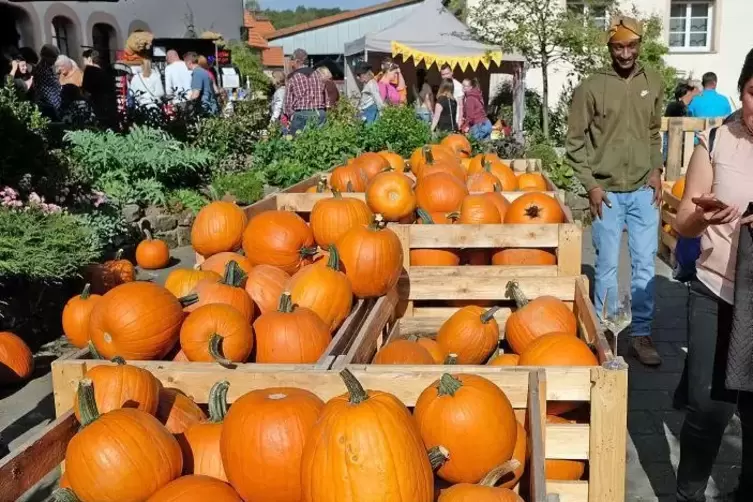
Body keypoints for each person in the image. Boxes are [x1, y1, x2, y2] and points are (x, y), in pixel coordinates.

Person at [672, 48, 753, 502]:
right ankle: (689, 493)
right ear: (740, 90)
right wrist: (702, 217)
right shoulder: (716, 142)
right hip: (715, 289)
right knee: (708, 408)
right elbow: (683, 220)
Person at [565, 16, 664, 366]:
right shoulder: (591, 87)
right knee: (606, 266)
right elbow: (575, 143)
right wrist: (590, 184)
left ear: (640, 45)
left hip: (643, 192)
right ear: (609, 48)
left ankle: (641, 333)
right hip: (605, 192)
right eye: (619, 46)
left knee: (644, 266)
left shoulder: (653, 82)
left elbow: (654, 132)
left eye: (631, 46)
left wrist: (656, 168)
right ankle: (607, 334)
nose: (626, 53)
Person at [283, 48, 326, 134]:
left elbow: (288, 102)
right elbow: (325, 95)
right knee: (319, 141)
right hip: (319, 112)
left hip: (301, 113)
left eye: (292, 60)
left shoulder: (293, 77)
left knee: (297, 143)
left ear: (297, 61)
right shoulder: (319, 74)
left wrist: (289, 115)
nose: (292, 64)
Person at [81, 49, 117, 129]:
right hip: (110, 107)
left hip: (96, 106)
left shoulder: (89, 70)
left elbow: (86, 90)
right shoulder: (106, 71)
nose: (84, 63)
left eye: (84, 60)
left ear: (89, 59)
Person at [32, 44, 61, 120]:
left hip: (53, 103)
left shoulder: (48, 68)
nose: (55, 59)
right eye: (54, 57)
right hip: (49, 104)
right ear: (46, 57)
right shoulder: (42, 69)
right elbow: (47, 90)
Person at [440, 63, 465, 130]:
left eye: (447, 73)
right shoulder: (445, 85)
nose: (445, 76)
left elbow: (461, 105)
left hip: (454, 122)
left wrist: (459, 121)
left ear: (452, 73)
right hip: (445, 122)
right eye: (443, 74)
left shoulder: (457, 86)